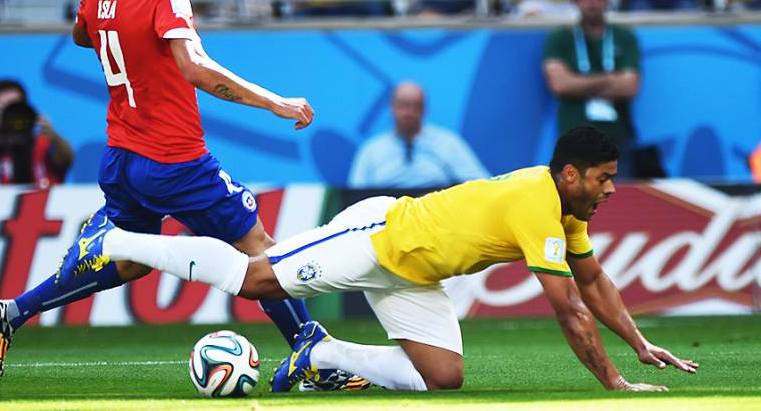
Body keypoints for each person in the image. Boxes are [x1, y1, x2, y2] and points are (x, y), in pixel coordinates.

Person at [0, 0, 365, 392]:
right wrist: (275, 102)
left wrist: (128, 41)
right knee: (260, 250)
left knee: (132, 261)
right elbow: (194, 68)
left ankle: (13, 311)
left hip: (123, 158)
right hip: (176, 160)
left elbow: (82, 35)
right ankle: (311, 351)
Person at [58, 125, 700, 393]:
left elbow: (592, 280)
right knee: (258, 282)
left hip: (414, 271)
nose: (612, 189)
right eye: (605, 178)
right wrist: (613, 384)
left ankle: (320, 355)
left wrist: (640, 345)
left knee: (443, 379)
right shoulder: (537, 201)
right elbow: (569, 311)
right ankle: (109, 243)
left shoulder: (564, 207)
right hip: (375, 235)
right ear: (570, 174)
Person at [543, 0, 650, 178]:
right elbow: (559, 85)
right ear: (575, 0)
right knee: (574, 208)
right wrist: (609, 79)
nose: (593, 4)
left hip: (616, 139)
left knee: (622, 204)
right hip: (573, 143)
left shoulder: (624, 36)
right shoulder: (560, 38)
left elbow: (631, 87)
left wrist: (579, 82)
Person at [348, 81, 488, 188]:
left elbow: (481, 183)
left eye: (416, 106)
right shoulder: (371, 150)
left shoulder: (448, 142)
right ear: (392, 107)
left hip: (435, 216)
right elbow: (354, 196)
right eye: (403, 105)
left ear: (424, 110)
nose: (409, 112)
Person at [0, 79, 74, 188]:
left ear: (25, 108)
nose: (11, 114)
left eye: (14, 107)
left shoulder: (43, 143)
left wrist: (54, 136)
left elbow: (67, 159)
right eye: (4, 108)